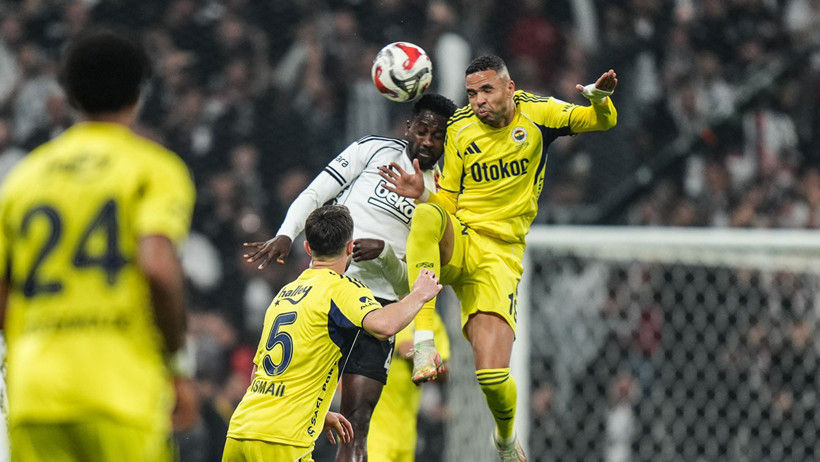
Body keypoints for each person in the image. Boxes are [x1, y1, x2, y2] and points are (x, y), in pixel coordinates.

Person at [379, 55, 618, 461]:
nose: (478, 101)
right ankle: (423, 342)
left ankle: (505, 439)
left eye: (487, 90)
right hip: (463, 239)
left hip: (501, 256)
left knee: (491, 377)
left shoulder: (539, 113)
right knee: (427, 213)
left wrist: (599, 99)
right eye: (472, 94)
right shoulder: (459, 129)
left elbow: (602, 121)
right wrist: (424, 195)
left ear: (509, 88)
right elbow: (448, 203)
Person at [0, 30, 196, 461]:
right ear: (139, 93)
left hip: (35, 392)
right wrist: (178, 369)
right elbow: (157, 268)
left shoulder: (23, 179)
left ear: (68, 94)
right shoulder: (155, 168)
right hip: (119, 387)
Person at [242, 93, 457, 461]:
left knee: (355, 429)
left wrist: (386, 253)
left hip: (378, 306)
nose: (427, 141)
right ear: (409, 126)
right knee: (288, 402)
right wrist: (286, 232)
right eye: (422, 130)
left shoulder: (444, 189)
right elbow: (316, 192)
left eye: (438, 136)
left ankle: (423, 344)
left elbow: (417, 282)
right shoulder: (372, 150)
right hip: (327, 292)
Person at [224, 204, 442, 462]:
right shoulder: (341, 289)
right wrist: (420, 293)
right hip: (283, 438)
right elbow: (384, 325)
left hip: (242, 428)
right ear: (350, 247)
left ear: (307, 248)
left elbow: (259, 370)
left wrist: (316, 413)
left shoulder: (285, 294)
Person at [367, 310, 451, 462]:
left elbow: (444, 374)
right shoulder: (376, 309)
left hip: (407, 434)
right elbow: (405, 348)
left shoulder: (430, 318)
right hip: (371, 431)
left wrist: (427, 358)